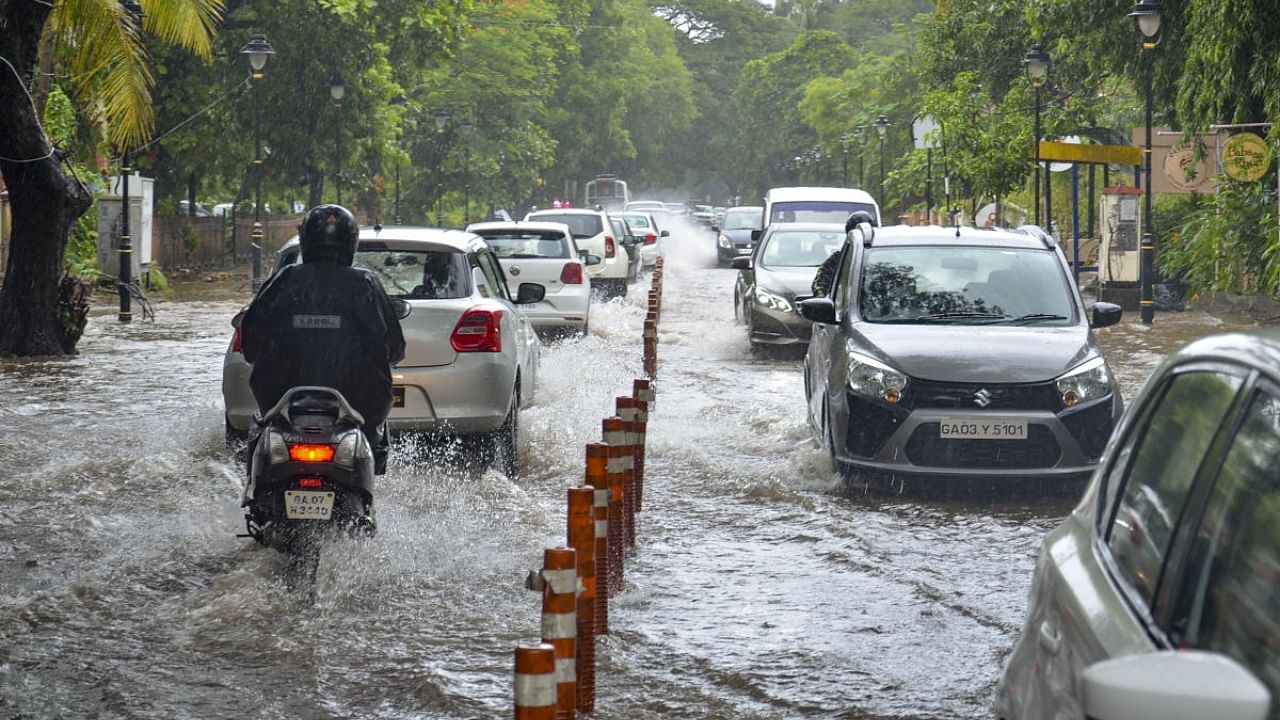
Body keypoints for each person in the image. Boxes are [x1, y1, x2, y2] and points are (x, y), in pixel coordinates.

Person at [240, 204, 406, 472]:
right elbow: (395, 349)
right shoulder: (366, 284)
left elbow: (249, 343)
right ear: (351, 243)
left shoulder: (284, 279)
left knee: (259, 430)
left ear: (306, 240)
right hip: (358, 408)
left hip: (281, 405)